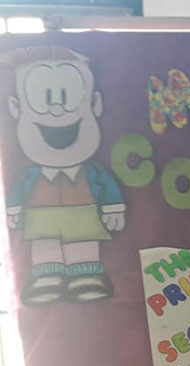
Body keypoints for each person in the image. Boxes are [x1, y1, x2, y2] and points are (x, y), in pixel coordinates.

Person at [1, 45, 126, 305]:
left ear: (95, 104)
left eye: (67, 98)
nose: (57, 110)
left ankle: (86, 277)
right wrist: (13, 210)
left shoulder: (91, 171)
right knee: (44, 246)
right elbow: (18, 190)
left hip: (83, 216)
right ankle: (47, 279)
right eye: (43, 98)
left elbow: (106, 185)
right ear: (15, 108)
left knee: (84, 246)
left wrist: (113, 207)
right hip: (41, 219)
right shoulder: (30, 175)